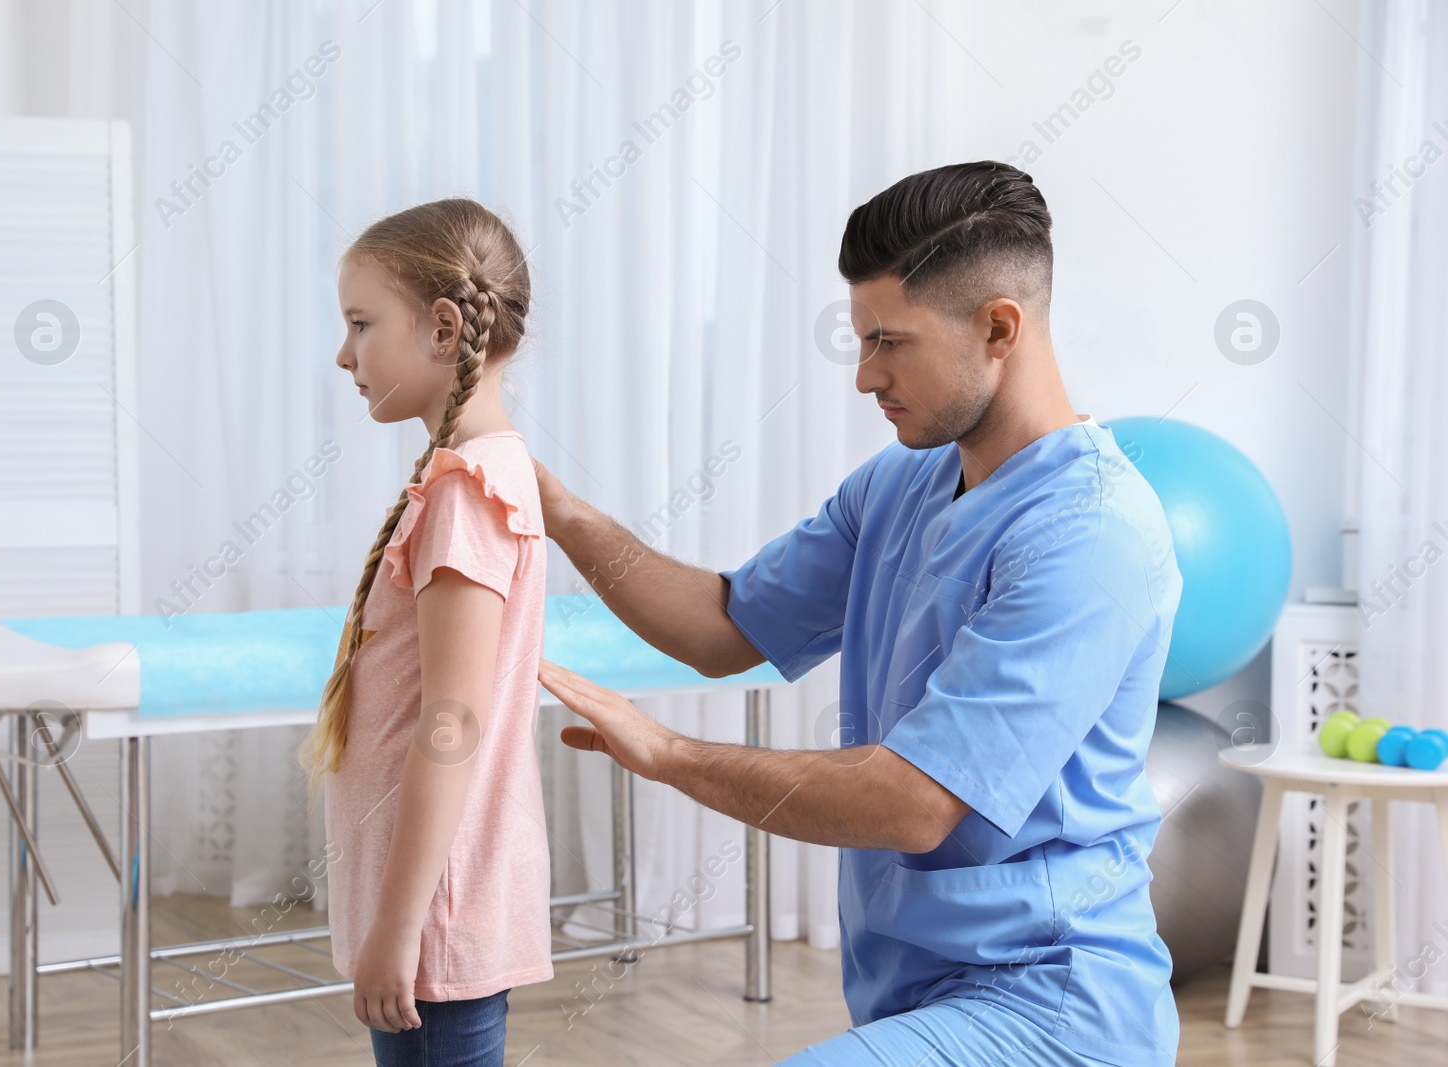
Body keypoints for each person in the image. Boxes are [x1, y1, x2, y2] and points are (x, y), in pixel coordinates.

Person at [535, 162, 1183, 1066]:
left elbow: (914, 802)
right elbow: (724, 625)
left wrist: (672, 755)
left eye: (890, 341)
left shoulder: (1091, 530)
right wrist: (559, 513)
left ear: (999, 327)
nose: (865, 376)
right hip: (908, 992)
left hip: (1049, 999)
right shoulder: (902, 480)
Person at [300, 199, 551, 1067]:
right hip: (443, 905)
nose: (345, 354)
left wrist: (398, 926)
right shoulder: (483, 470)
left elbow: (452, 720)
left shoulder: (465, 489)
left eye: (361, 324)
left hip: (437, 915)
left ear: (445, 329)